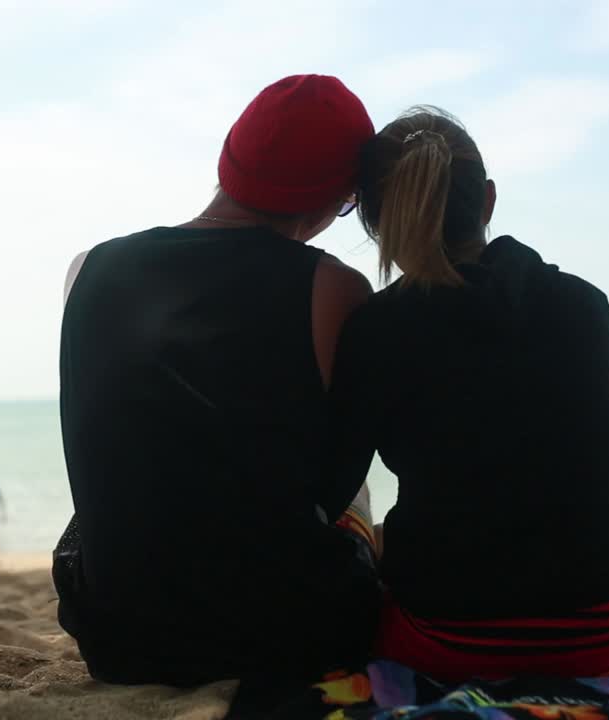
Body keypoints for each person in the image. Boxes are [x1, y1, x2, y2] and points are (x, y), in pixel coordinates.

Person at [54, 74, 381, 687]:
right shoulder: (334, 288)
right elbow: (334, 482)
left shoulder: (87, 268)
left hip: (112, 635)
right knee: (356, 496)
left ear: (227, 162)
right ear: (332, 198)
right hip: (284, 637)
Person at [324, 107, 609, 681]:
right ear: (489, 200)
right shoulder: (584, 304)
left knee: (354, 509)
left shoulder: (379, 326)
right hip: (608, 631)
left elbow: (330, 482)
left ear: (377, 222)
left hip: (450, 639)